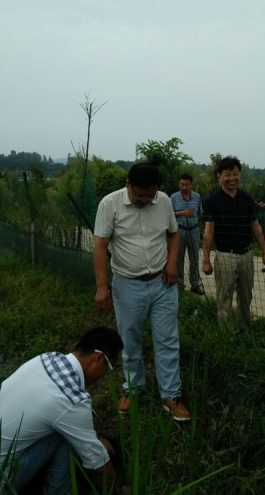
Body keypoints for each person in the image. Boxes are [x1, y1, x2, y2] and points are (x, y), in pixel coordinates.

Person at [93, 162, 190, 422]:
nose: (146, 200)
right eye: (140, 195)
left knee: (168, 340)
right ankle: (133, 389)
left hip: (163, 284)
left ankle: (170, 395)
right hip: (127, 285)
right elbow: (101, 246)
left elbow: (173, 235)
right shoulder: (109, 204)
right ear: (128, 185)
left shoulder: (164, 202)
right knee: (130, 340)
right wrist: (102, 287)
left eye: (151, 195)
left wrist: (171, 264)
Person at [0, 327, 123, 495]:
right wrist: (116, 489)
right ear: (99, 358)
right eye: (109, 368)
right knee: (67, 437)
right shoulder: (72, 399)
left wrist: (96, 437)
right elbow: (98, 463)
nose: (105, 375)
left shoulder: (45, 359)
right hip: (2, 481)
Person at [202, 156, 265, 333]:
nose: (232, 178)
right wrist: (206, 260)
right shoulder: (212, 201)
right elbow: (209, 231)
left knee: (246, 297)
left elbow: (256, 227)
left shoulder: (247, 199)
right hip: (225, 255)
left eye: (236, 174)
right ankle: (224, 335)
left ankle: (244, 332)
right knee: (224, 298)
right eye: (227, 174)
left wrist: (264, 252)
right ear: (219, 175)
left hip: (247, 255)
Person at [170, 173, 205, 295]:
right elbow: (169, 215)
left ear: (191, 185)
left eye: (186, 185)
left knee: (194, 258)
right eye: (182, 184)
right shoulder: (173, 197)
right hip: (179, 230)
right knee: (179, 258)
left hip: (194, 230)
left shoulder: (197, 197)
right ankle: (179, 285)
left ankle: (195, 284)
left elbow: (201, 213)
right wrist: (182, 213)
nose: (184, 187)